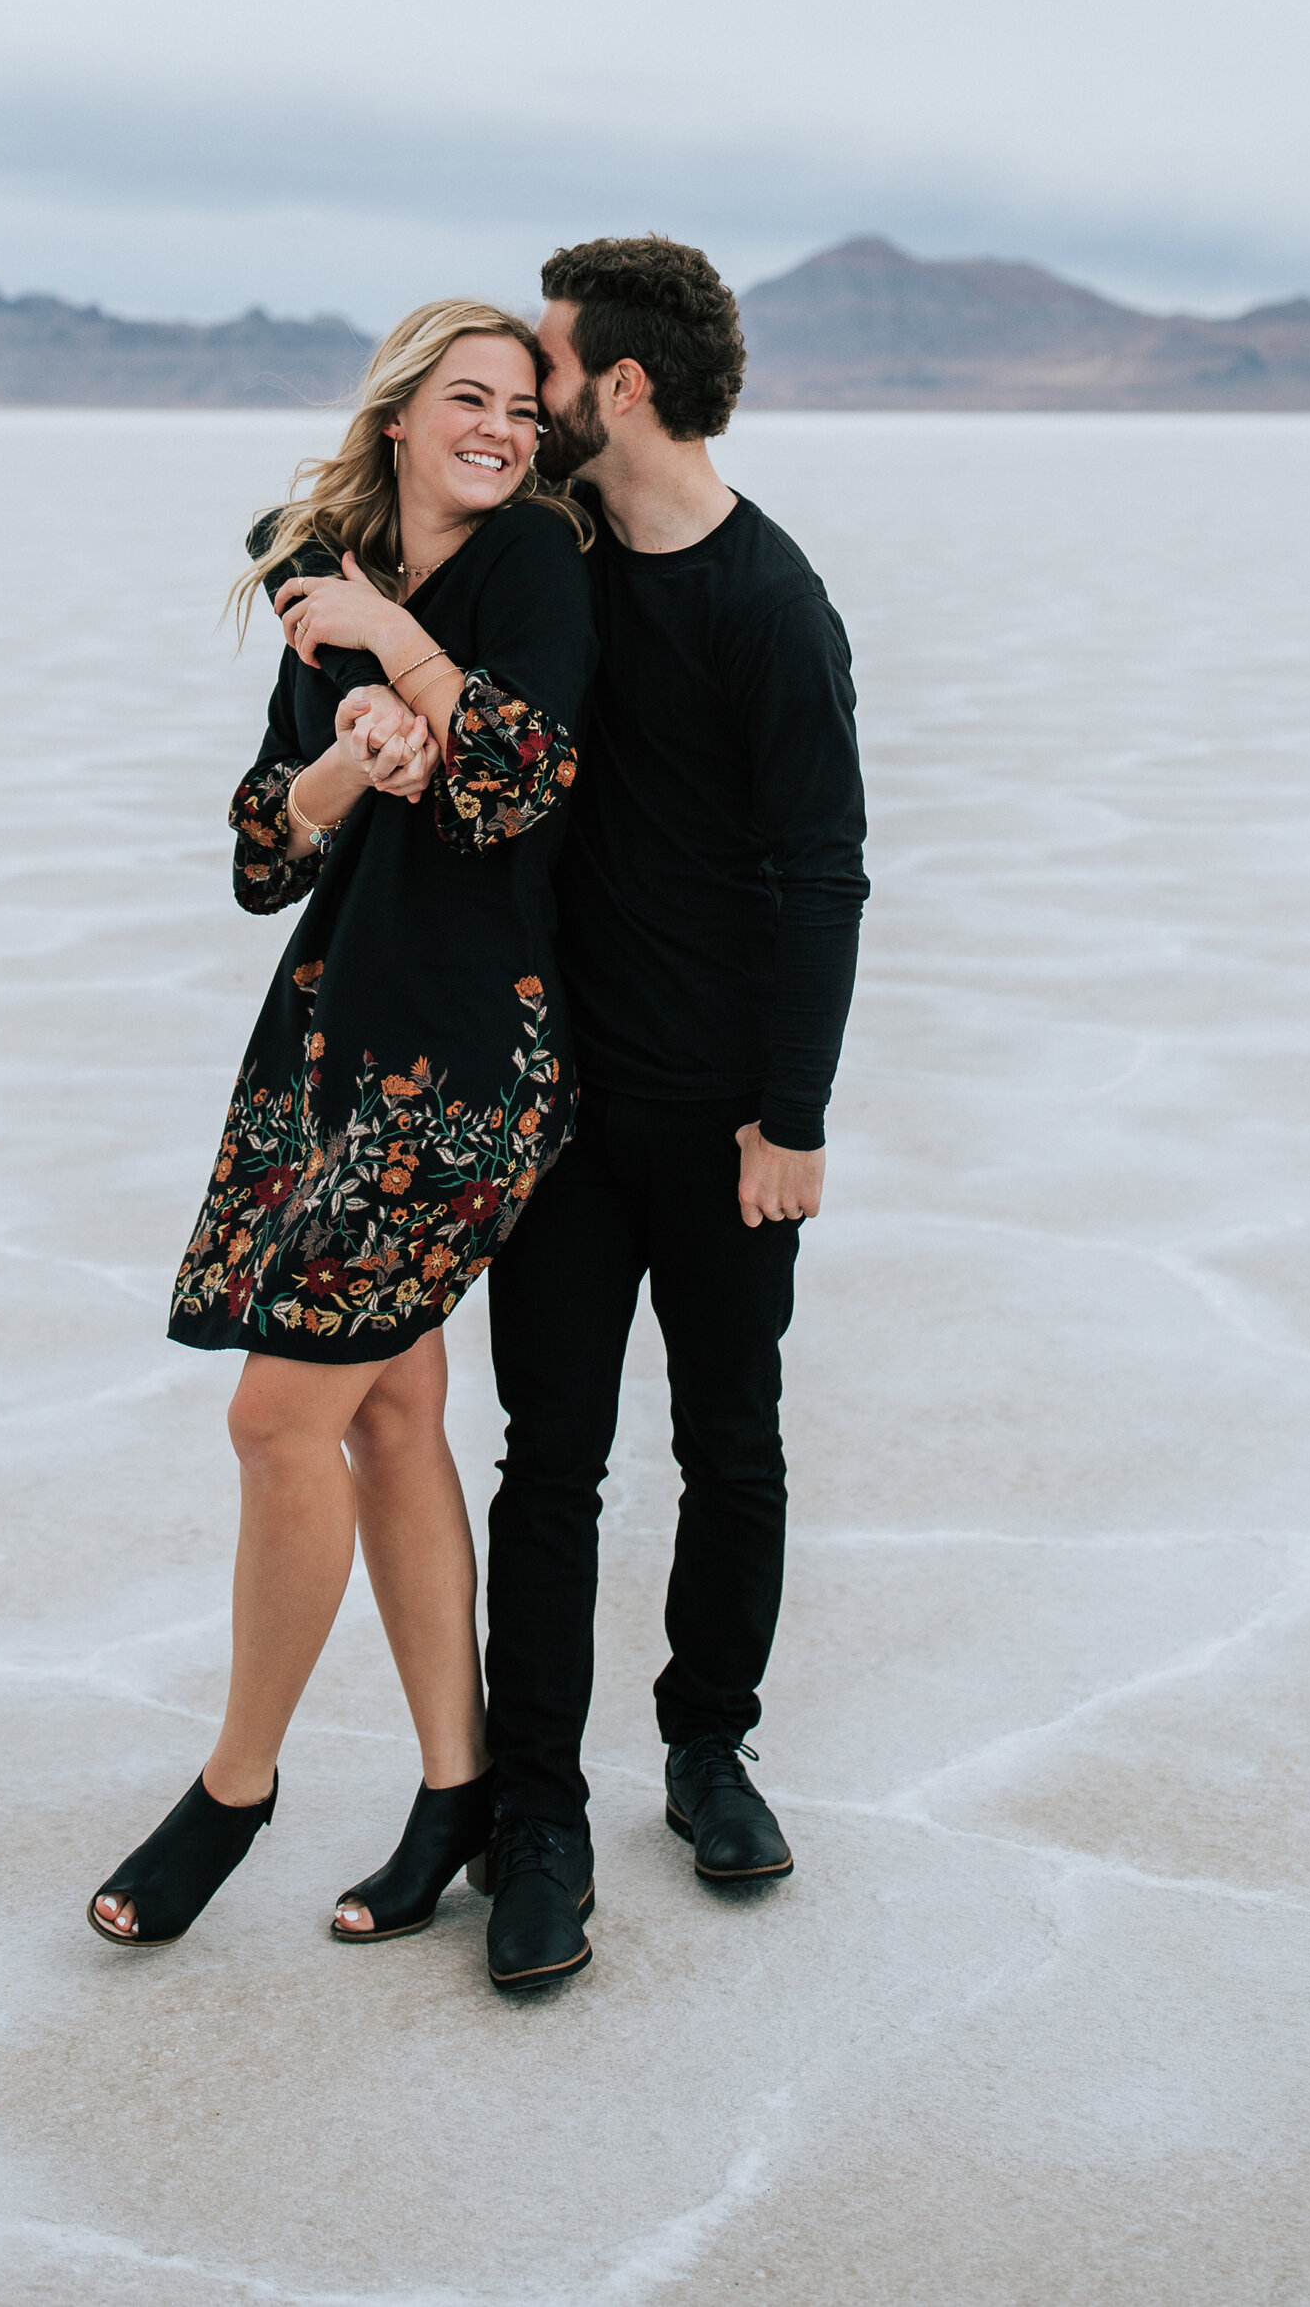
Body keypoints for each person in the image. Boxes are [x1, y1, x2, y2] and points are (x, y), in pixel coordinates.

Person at [92, 300, 595, 1952]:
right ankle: (457, 1785)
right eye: (470, 397)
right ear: (399, 414)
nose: (504, 426)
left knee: (272, 1422)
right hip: (327, 1054)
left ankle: (235, 1789)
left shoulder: (528, 565)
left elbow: (518, 776)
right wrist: (344, 768)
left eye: (525, 404)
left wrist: (403, 651)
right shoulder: (316, 583)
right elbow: (259, 852)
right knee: (390, 1416)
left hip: (461, 1077)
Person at [477, 233, 867, 1993]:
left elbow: (824, 876)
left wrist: (792, 1119)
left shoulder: (773, 606)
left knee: (733, 1442)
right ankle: (537, 1817)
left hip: (723, 1129)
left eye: (548, 367)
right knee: (551, 1464)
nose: (536, 395)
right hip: (562, 1122)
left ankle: (708, 1746)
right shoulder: (549, 568)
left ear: (619, 387)